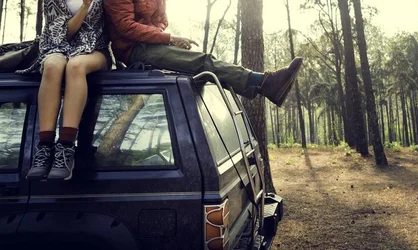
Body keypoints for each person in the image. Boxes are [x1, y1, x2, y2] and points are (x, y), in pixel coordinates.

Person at [103, 0, 302, 107]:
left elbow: (163, 19)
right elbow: (125, 27)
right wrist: (168, 39)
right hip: (134, 50)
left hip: (154, 44)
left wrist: (164, 38)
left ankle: (260, 87)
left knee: (203, 68)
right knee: (202, 62)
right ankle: (264, 82)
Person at [21, 0, 111, 181]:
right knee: (53, 66)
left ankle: (66, 147)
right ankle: (45, 147)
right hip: (59, 48)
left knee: (75, 66)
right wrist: (85, 6)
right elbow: (61, 36)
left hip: (95, 51)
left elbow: (123, 18)